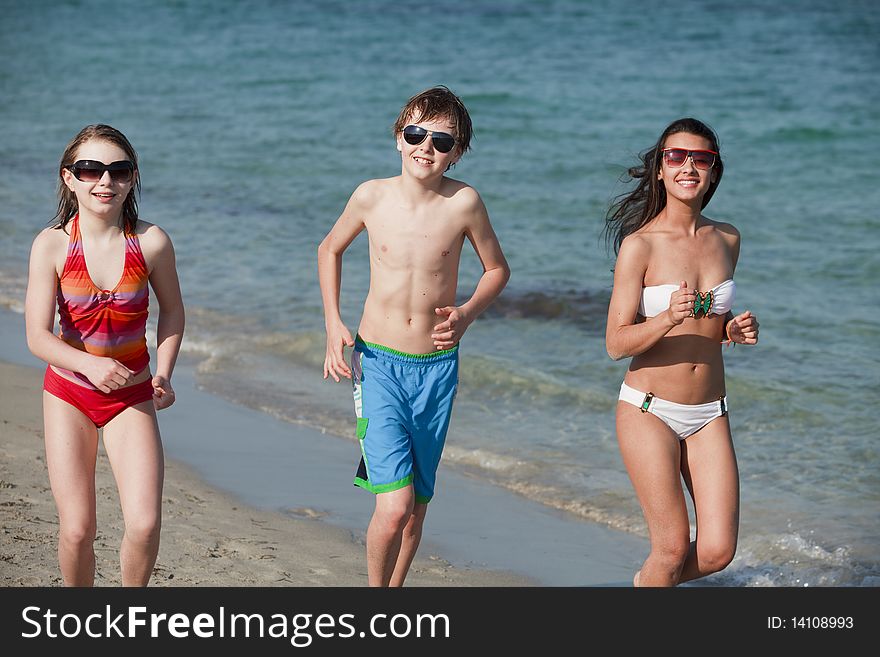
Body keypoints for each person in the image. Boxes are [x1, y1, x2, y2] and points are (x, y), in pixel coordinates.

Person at [318, 86, 510, 587]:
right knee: (394, 502)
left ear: (457, 152)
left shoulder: (464, 203)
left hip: (436, 368)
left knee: (417, 505)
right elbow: (329, 250)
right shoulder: (370, 196)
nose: (426, 146)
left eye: (441, 140)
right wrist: (332, 324)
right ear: (398, 139)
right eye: (416, 133)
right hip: (376, 362)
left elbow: (496, 270)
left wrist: (466, 313)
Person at [25, 124, 185, 586]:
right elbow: (37, 337)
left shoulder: (152, 242)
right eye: (90, 169)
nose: (105, 181)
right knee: (77, 530)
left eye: (118, 170)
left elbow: (173, 312)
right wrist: (90, 364)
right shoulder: (52, 244)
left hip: (132, 396)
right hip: (69, 394)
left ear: (132, 178)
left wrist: (166, 373)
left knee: (144, 524)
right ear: (69, 178)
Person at [604, 118, 759, 587]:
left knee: (716, 552)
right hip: (649, 409)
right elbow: (615, 343)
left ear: (714, 171)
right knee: (671, 548)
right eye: (676, 156)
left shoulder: (727, 238)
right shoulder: (640, 246)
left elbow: (708, 328)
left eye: (701, 158)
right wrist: (667, 317)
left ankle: (646, 585)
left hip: (710, 411)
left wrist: (730, 330)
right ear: (660, 169)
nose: (688, 166)